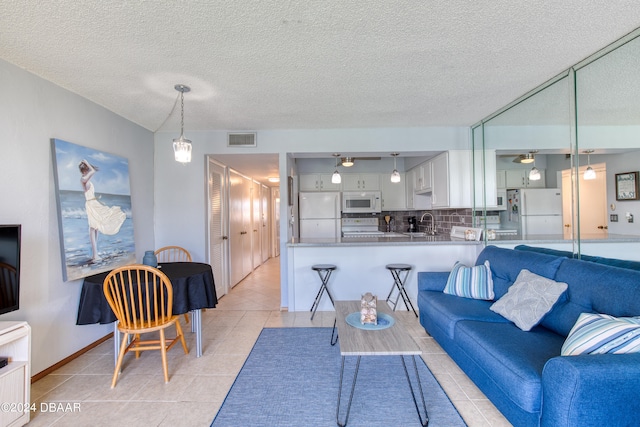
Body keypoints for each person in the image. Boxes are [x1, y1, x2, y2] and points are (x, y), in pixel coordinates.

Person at [79, 160, 126, 262]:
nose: (86, 172)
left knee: (97, 227)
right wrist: (87, 163)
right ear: (83, 171)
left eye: (86, 170)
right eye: (85, 170)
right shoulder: (83, 179)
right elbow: (93, 171)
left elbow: (92, 172)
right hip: (91, 204)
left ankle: (95, 254)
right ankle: (95, 255)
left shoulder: (87, 180)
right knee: (92, 227)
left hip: (93, 203)